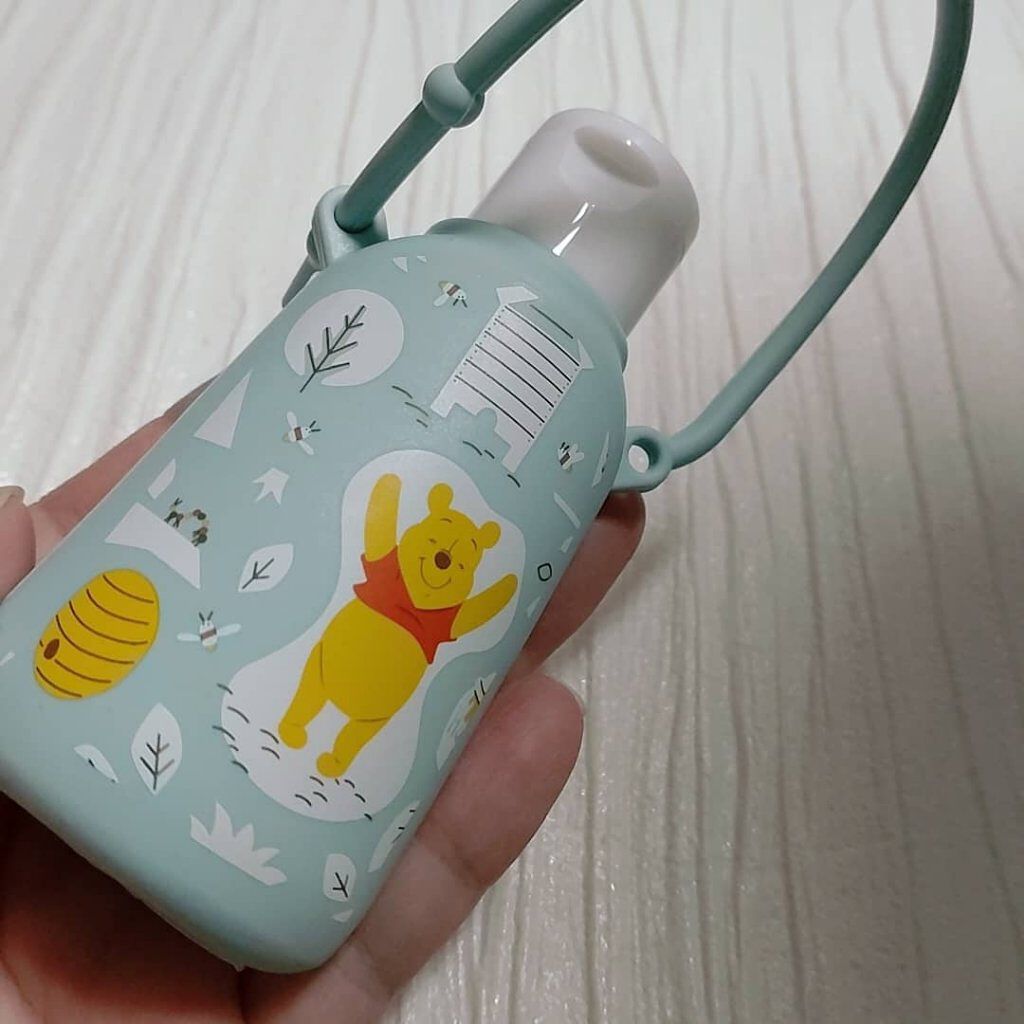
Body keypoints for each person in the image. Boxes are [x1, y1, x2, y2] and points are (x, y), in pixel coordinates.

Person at [0, 382, 643, 1022]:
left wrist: (494, 584)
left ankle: (321, 750)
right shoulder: (391, 568)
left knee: (357, 731)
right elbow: (381, 525)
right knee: (307, 691)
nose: (443, 559)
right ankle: (295, 726)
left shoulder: (442, 613)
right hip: (315, 673)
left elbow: (480, 607)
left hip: (370, 708)